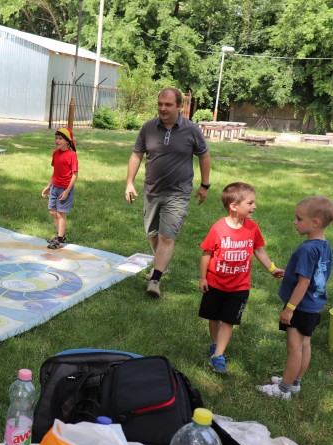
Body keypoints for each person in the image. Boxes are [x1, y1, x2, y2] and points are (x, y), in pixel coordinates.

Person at [125, 87, 211, 298]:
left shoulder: (191, 130)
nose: (163, 108)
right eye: (160, 104)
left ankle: (155, 279)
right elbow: (136, 155)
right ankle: (161, 265)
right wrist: (129, 182)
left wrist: (205, 184)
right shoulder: (148, 128)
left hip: (178, 193)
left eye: (168, 105)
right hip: (152, 190)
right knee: (152, 233)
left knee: (166, 237)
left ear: (179, 106)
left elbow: (204, 156)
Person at [199, 183, 284, 374]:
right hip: (215, 283)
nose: (255, 206)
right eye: (250, 202)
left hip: (239, 286)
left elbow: (258, 250)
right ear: (234, 206)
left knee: (228, 321)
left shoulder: (253, 228)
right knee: (213, 318)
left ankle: (218, 355)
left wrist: (272, 268)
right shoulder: (218, 229)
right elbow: (206, 253)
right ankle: (215, 344)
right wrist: (202, 278)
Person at [257, 196, 333, 399]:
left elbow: (304, 282)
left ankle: (283, 390)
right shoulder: (325, 245)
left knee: (294, 348)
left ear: (315, 222)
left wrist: (290, 307)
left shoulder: (308, 249)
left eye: (299, 219)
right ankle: (295, 383)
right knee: (305, 344)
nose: (294, 222)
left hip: (300, 306)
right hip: (314, 305)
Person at [42, 127, 78, 249]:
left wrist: (67, 191)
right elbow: (55, 172)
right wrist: (48, 186)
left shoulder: (71, 155)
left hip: (64, 189)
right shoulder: (56, 153)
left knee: (60, 213)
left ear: (67, 141)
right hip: (55, 187)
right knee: (52, 211)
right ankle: (60, 235)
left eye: (60, 138)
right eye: (56, 138)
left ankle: (60, 239)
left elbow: (75, 175)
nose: (57, 141)